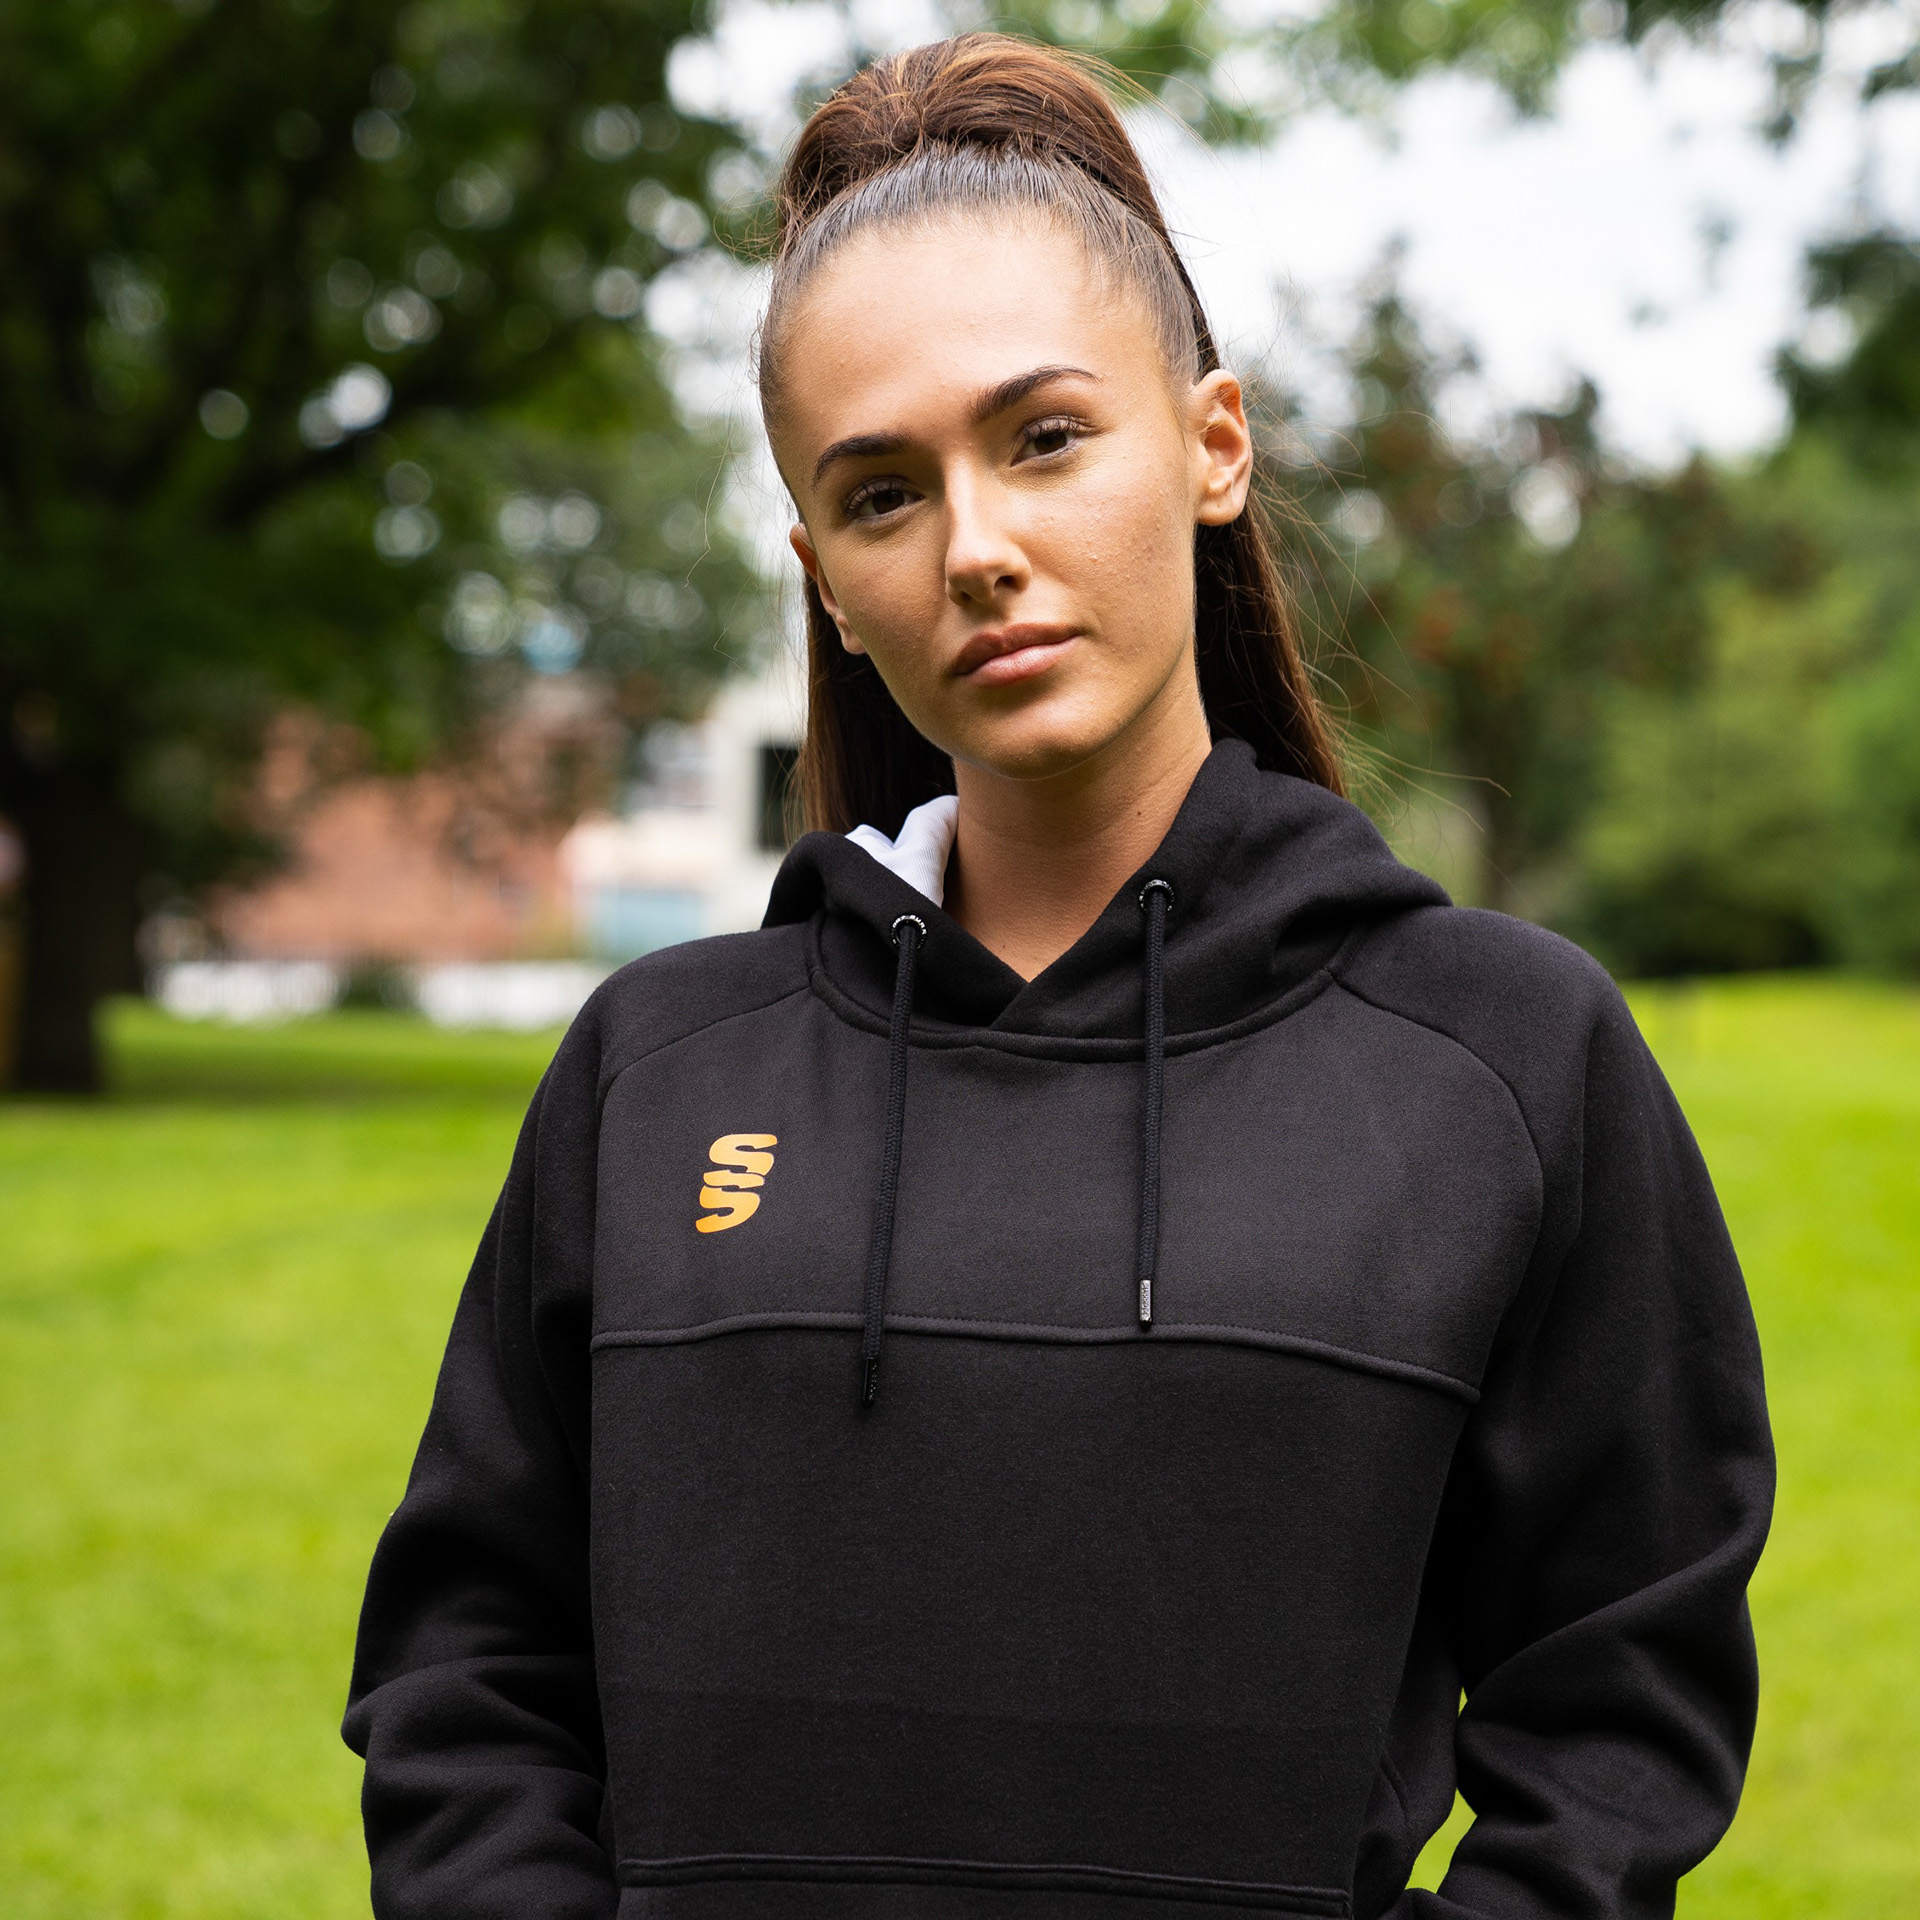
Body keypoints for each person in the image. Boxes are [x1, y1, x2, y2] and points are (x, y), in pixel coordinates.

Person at [344, 35, 1772, 1920]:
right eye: (882, 495)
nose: (979, 550)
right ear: (823, 577)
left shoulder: (1504, 1059)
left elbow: (1621, 1701)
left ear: (1211, 444)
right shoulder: (655, 1073)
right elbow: (469, 1676)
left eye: (1044, 439)